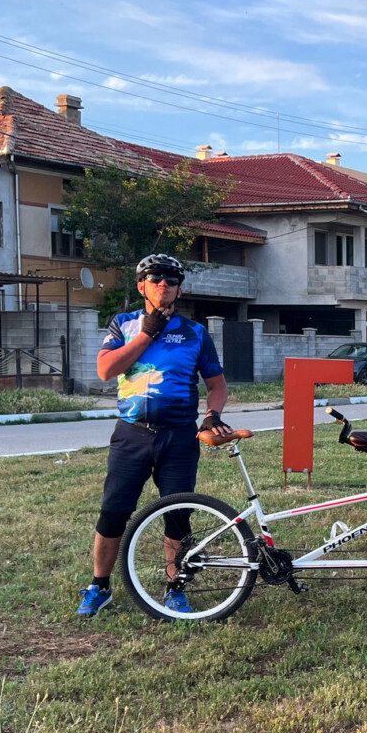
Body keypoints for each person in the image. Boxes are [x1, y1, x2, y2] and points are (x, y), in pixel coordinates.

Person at [78, 254, 234, 617]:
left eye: (170, 279)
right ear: (141, 285)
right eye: (154, 278)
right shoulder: (123, 324)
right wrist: (147, 332)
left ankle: (175, 586)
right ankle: (100, 586)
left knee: (177, 515)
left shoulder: (195, 332)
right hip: (131, 435)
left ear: (179, 288)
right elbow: (105, 369)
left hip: (178, 436)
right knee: (113, 512)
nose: (162, 284)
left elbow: (217, 385)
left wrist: (212, 415)